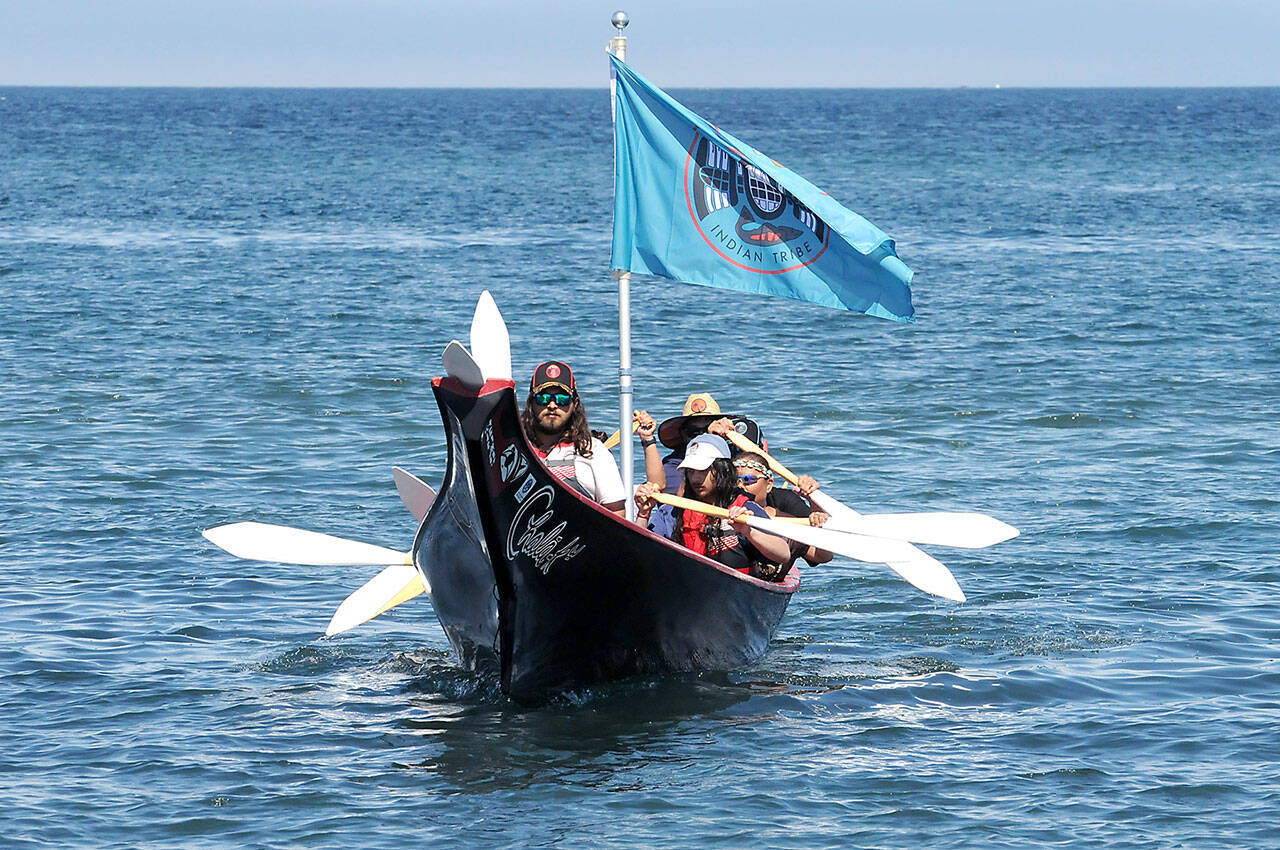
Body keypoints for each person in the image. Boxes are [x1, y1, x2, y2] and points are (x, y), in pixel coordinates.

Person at [634, 434, 791, 580]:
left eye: (703, 471)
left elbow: (783, 554)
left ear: (722, 470)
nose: (696, 479)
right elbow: (640, 555)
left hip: (732, 593)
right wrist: (643, 514)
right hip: (684, 589)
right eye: (691, 471)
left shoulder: (745, 509)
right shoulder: (671, 511)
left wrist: (748, 532)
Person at [521, 361, 626, 515]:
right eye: (543, 398)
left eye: (562, 399)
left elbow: (617, 512)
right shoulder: (517, 448)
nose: (552, 405)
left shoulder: (593, 450)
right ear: (531, 403)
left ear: (574, 404)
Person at [733, 451, 833, 568]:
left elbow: (823, 556)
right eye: (734, 480)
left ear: (769, 484)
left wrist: (813, 502)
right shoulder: (720, 509)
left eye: (747, 480)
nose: (739, 486)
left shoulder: (788, 520)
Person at [655, 393, 762, 495]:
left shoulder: (733, 453)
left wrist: (730, 434)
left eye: (706, 430)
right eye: (694, 432)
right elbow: (676, 503)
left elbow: (758, 468)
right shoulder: (672, 464)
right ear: (683, 434)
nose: (702, 438)